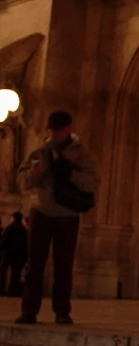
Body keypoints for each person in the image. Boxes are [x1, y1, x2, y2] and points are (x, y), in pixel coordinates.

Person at [14, 110, 100, 325]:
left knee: (64, 263)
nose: (56, 134)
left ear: (69, 129)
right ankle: (29, 310)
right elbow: (22, 181)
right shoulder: (40, 151)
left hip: (67, 214)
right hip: (41, 211)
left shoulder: (82, 154)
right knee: (35, 262)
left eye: (60, 130)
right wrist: (35, 173)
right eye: (53, 130)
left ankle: (62, 310)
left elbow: (93, 181)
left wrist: (70, 173)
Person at [0, 212, 27, 297]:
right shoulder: (23, 230)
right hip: (19, 256)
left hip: (7, 254)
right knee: (15, 275)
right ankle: (11, 292)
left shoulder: (9, 228)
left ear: (13, 218)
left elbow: (4, 241)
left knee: (2, 272)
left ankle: (1, 290)